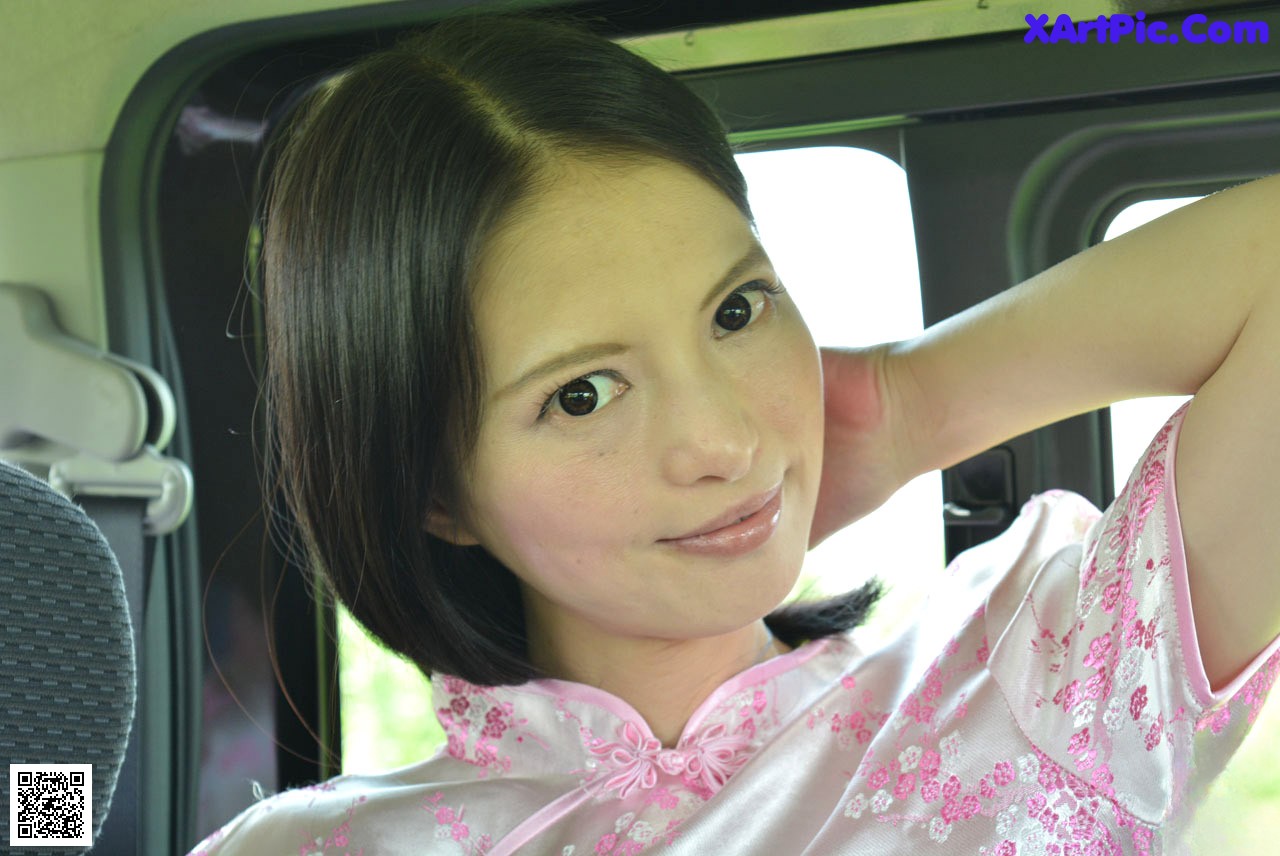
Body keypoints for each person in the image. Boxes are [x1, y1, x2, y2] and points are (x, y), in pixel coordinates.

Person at [187, 12, 1279, 855]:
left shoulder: (1038, 681)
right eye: (583, 394)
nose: (720, 439)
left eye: (736, 311)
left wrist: (906, 405)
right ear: (433, 492)